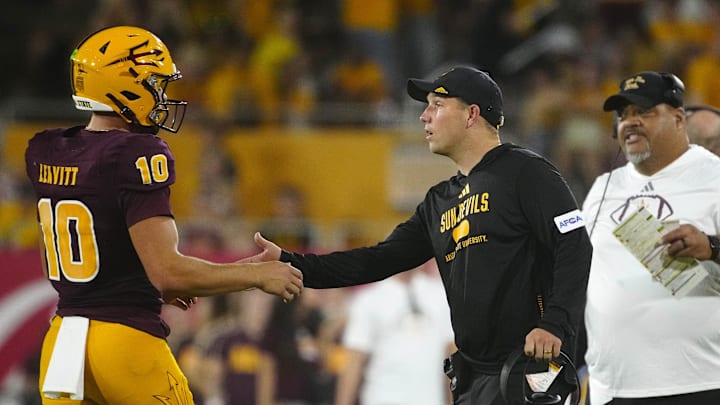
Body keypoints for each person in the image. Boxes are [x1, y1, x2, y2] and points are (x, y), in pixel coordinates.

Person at [249, 65, 593, 404]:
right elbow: (374, 261)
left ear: (471, 114)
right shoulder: (438, 202)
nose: (424, 116)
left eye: (437, 105)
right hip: (474, 380)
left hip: (529, 369)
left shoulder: (527, 172)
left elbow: (575, 244)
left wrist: (555, 324)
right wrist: (289, 262)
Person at [24, 26, 303, 404]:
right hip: (125, 342)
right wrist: (257, 275)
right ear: (124, 84)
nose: (161, 95)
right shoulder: (137, 152)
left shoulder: (47, 149)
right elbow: (168, 274)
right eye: (154, 83)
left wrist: (133, 281)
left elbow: (55, 260)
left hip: (64, 342)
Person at [583, 71, 720, 404]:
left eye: (643, 112)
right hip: (611, 388)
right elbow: (583, 276)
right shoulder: (603, 188)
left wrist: (711, 247)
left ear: (677, 118)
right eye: (623, 115)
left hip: (699, 382)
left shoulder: (714, 176)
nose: (630, 122)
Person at [334, 261, 455, 405]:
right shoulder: (368, 300)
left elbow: (452, 357)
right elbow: (354, 362)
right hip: (382, 398)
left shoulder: (441, 296)